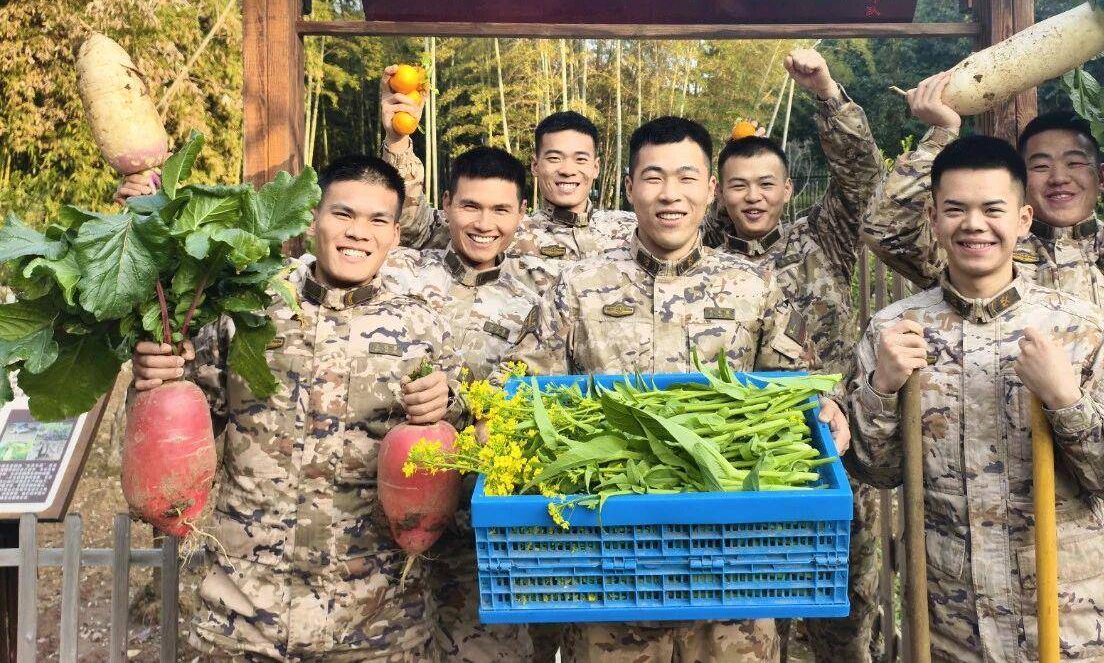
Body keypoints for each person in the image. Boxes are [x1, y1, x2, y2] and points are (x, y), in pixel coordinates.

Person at [861, 31, 1104, 661]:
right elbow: (887, 225)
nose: (1058, 175)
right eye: (1039, 165)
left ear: (1101, 175)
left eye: (1074, 161)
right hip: (1003, 536)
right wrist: (940, 134)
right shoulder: (986, 249)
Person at [516, 115, 851, 663]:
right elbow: (526, 389)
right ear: (629, 187)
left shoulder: (753, 286)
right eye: (653, 177)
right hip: (609, 572)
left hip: (733, 577)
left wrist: (826, 406)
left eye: (687, 177)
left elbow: (795, 388)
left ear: (710, 189)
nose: (670, 194)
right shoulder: (577, 288)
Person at [849, 135, 1104, 662]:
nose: (973, 225)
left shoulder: (1083, 330)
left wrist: (1068, 403)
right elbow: (874, 470)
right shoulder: (896, 331)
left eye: (992, 209)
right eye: (956, 209)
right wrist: (881, 389)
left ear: (1023, 219)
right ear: (933, 218)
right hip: (952, 630)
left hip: (1073, 626)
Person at [129, 156, 462, 662]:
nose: (358, 233)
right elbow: (179, 427)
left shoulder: (422, 327)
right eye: (343, 214)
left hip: (376, 624)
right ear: (312, 218)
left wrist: (448, 405)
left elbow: (457, 441)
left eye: (378, 220)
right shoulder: (248, 310)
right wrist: (154, 378)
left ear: (396, 235)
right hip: (241, 619)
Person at [709, 48, 885, 663]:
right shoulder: (702, 254)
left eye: (766, 184)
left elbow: (863, 178)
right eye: (738, 185)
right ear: (718, 192)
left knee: (844, 599)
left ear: (788, 189)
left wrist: (828, 95)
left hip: (832, 444)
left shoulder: (821, 240)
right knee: (749, 606)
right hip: (742, 456)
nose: (753, 197)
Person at [379, 145, 548, 663]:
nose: (484, 224)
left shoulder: (537, 300)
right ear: (447, 203)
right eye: (471, 206)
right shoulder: (399, 273)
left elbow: (523, 393)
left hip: (478, 532)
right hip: (387, 515)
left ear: (521, 213)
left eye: (501, 210)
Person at [380, 69, 633, 262]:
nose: (567, 170)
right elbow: (416, 227)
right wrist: (398, 138)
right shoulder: (502, 226)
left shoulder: (630, 230)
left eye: (580, 159)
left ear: (596, 167)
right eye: (555, 158)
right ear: (535, 165)